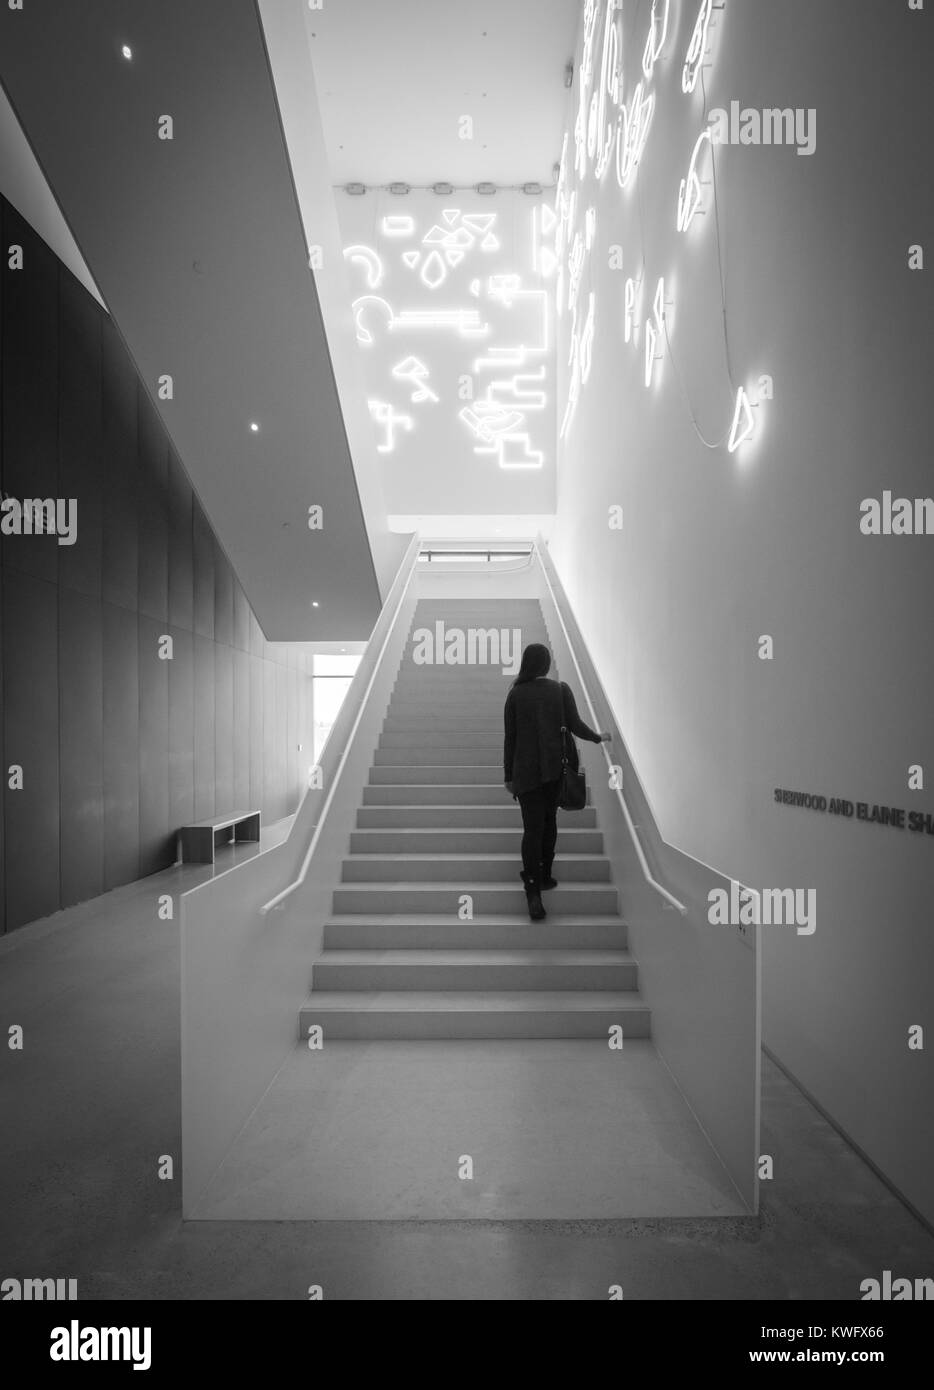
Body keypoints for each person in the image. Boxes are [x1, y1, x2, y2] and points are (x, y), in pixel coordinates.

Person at [503, 643, 611, 922]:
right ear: (546, 664)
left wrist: (508, 777)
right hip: (554, 771)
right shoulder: (560, 690)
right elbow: (575, 725)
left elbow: (510, 739)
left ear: (526, 664)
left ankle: (532, 892)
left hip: (525, 775)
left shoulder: (515, 694)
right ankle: (546, 875)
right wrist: (599, 737)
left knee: (531, 830)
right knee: (549, 823)